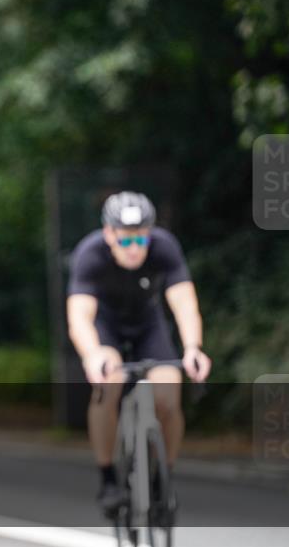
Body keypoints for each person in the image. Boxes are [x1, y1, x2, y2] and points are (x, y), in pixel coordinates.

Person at [66, 191, 211, 512]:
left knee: (168, 396)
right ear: (109, 234)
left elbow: (185, 305)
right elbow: (79, 317)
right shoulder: (90, 254)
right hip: (106, 328)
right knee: (107, 385)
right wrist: (92, 354)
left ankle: (162, 477)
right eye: (126, 240)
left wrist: (193, 348)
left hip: (148, 325)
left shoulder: (165, 247)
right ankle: (108, 478)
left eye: (141, 239)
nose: (134, 248)